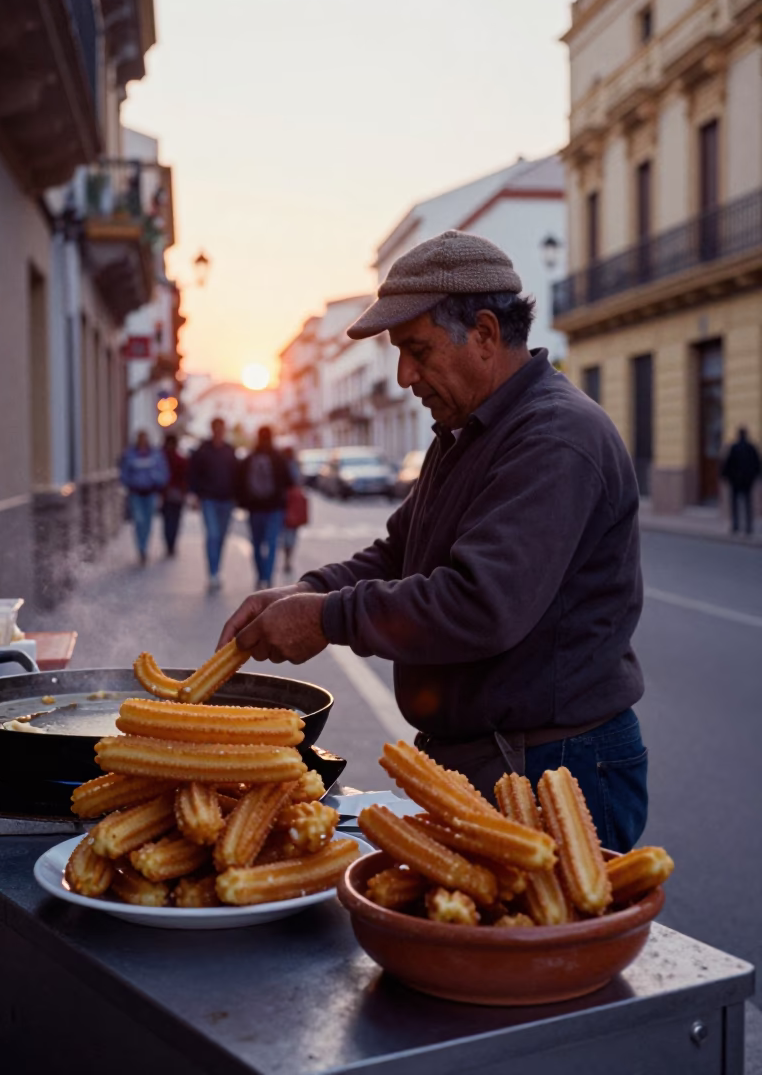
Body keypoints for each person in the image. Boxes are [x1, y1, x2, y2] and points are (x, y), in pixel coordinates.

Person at [219, 230, 648, 853]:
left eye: (417, 350)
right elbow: (398, 554)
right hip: (491, 759)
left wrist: (328, 618)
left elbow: (481, 604)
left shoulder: (553, 438)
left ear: (483, 333)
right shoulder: (464, 433)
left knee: (532, 949)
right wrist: (306, 589)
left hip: (555, 768)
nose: (403, 375)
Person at [236, 426, 292, 590]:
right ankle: (268, 578)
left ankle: (260, 576)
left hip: (255, 508)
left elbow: (240, 482)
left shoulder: (250, 457)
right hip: (274, 508)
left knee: (257, 543)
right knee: (272, 543)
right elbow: (289, 481)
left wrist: (243, 502)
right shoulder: (278, 457)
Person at [189, 417, 238, 593]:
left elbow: (236, 475)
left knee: (221, 537)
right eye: (216, 428)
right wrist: (194, 495)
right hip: (208, 498)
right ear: (212, 429)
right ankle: (213, 573)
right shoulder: (203, 450)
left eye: (221, 428)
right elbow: (193, 473)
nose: (219, 431)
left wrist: (238, 498)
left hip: (227, 500)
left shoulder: (229, 450)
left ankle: (217, 567)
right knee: (213, 535)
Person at [119, 430, 169, 566]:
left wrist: (156, 480)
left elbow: (163, 472)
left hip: (150, 492)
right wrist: (128, 483)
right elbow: (124, 472)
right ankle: (141, 548)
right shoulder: (130, 454)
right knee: (139, 520)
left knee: (147, 522)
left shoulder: (155, 455)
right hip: (136, 492)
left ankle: (145, 546)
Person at [721, 428, 760, 536]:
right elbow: (757, 464)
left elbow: (728, 464)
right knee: (748, 503)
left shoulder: (734, 448)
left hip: (735, 480)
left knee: (735, 504)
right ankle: (748, 527)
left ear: (738, 435)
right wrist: (755, 476)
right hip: (748, 480)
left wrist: (725, 476)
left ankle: (736, 526)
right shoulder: (751, 448)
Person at [280, 446, 309, 575]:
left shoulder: (281, 465)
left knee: (285, 533)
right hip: (293, 505)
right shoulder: (295, 466)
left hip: (283, 504)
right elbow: (300, 482)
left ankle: (286, 558)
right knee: (291, 534)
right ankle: (288, 559)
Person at [161, 433, 190, 558]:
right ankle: (171, 544)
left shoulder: (162, 458)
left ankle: (169, 544)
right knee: (175, 520)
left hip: (167, 493)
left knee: (168, 520)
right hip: (177, 493)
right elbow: (186, 477)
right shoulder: (180, 459)